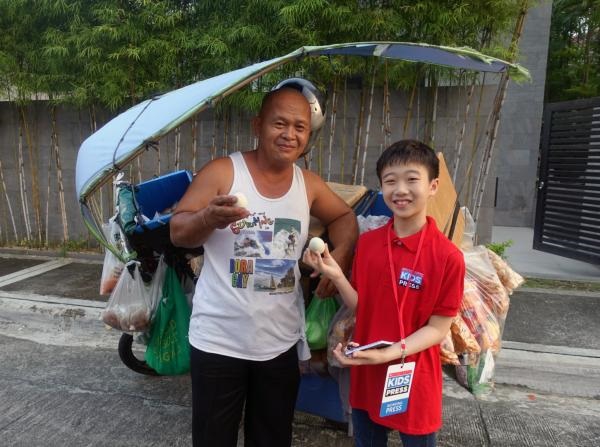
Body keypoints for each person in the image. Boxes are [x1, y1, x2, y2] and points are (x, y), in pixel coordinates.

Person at [170, 81, 358, 447]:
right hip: (218, 341)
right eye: (279, 123)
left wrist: (342, 254)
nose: (290, 134)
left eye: (300, 127)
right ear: (258, 125)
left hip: (279, 343)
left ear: (308, 136)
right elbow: (178, 231)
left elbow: (344, 217)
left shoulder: (308, 184)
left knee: (272, 439)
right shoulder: (224, 172)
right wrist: (208, 217)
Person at [303, 140, 465, 447]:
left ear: (433, 186)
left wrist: (389, 353)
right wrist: (335, 275)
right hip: (367, 372)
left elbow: (437, 328)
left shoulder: (447, 257)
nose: (400, 190)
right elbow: (362, 306)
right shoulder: (369, 244)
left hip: (412, 376)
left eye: (412, 179)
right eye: (390, 181)